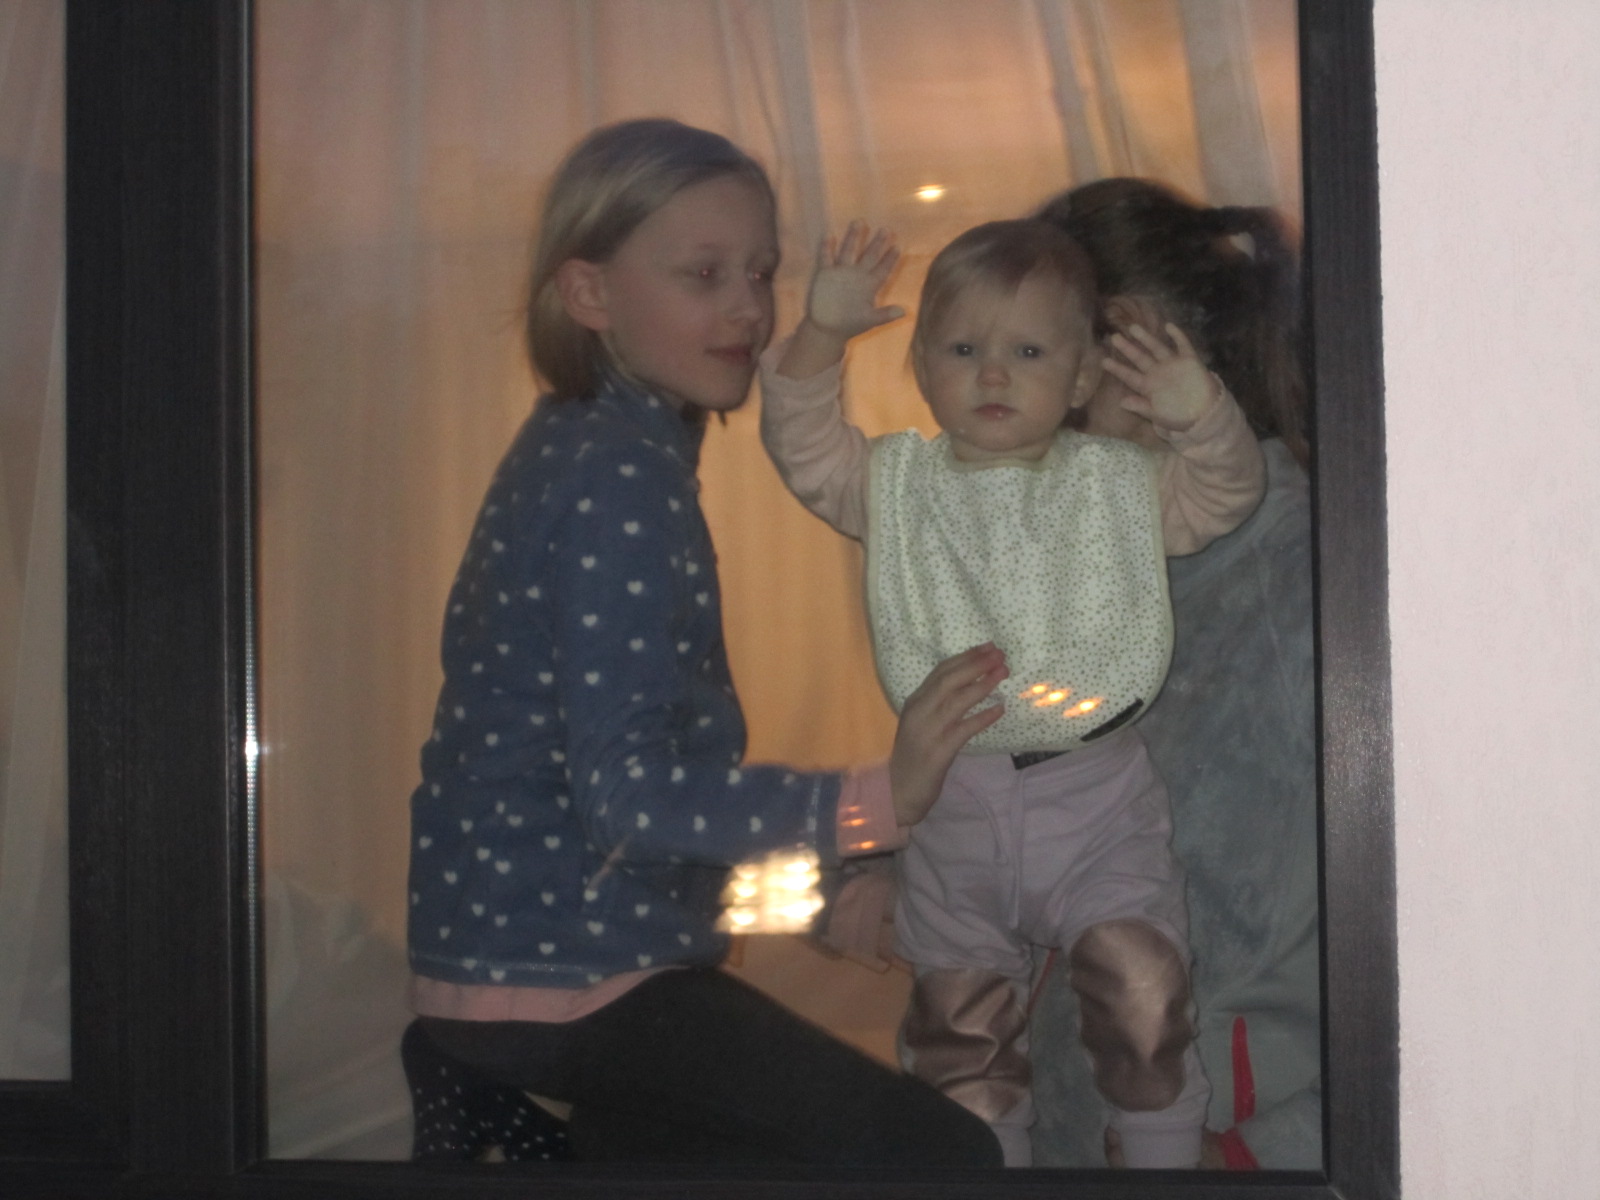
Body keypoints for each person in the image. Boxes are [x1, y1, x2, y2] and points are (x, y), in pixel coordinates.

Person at [401, 118, 1012, 1168]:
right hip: (566, 979)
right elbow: (632, 799)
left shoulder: (591, 445)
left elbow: (593, 805)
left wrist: (823, 892)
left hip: (523, 963)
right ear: (588, 293)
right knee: (945, 1160)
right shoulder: (616, 477)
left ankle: (505, 1114)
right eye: (704, 273)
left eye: (760, 272)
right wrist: (873, 800)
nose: (748, 306)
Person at [757, 217, 1266, 1167]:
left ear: (1081, 378)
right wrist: (820, 335)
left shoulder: (1120, 487)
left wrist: (1200, 412)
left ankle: (1163, 1161)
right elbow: (806, 447)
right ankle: (988, 1169)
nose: (993, 374)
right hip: (954, 809)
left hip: (1095, 800)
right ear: (921, 367)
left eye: (1028, 352)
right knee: (960, 1034)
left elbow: (1224, 493)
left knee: (1142, 984)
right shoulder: (895, 486)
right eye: (963, 350)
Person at [1028, 177, 1320, 1170]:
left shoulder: (1302, 589)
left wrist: (1247, 1154)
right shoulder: (1120, 571)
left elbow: (1412, 955)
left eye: (1040, 362)